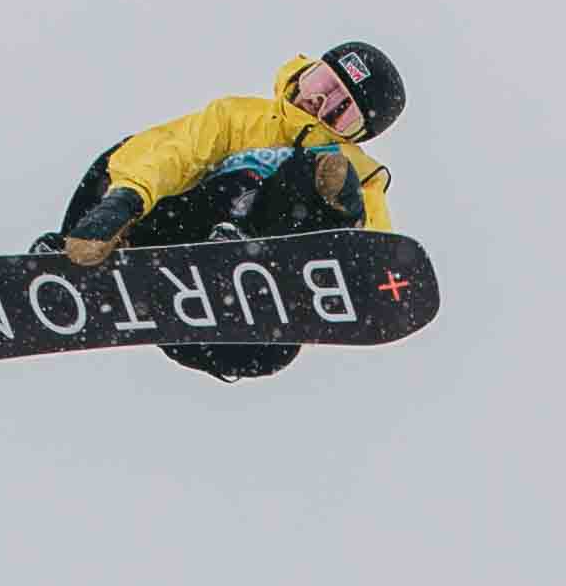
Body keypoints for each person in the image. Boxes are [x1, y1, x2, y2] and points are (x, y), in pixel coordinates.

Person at [42, 43, 405, 381]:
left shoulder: (360, 176)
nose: (317, 101)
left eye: (339, 111)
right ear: (304, 73)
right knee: (131, 154)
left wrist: (349, 218)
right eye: (321, 83)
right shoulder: (239, 118)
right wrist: (124, 200)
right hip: (183, 243)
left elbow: (376, 253)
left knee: (320, 173)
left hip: (248, 327)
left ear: (356, 134)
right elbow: (176, 153)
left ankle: (241, 258)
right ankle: (83, 257)